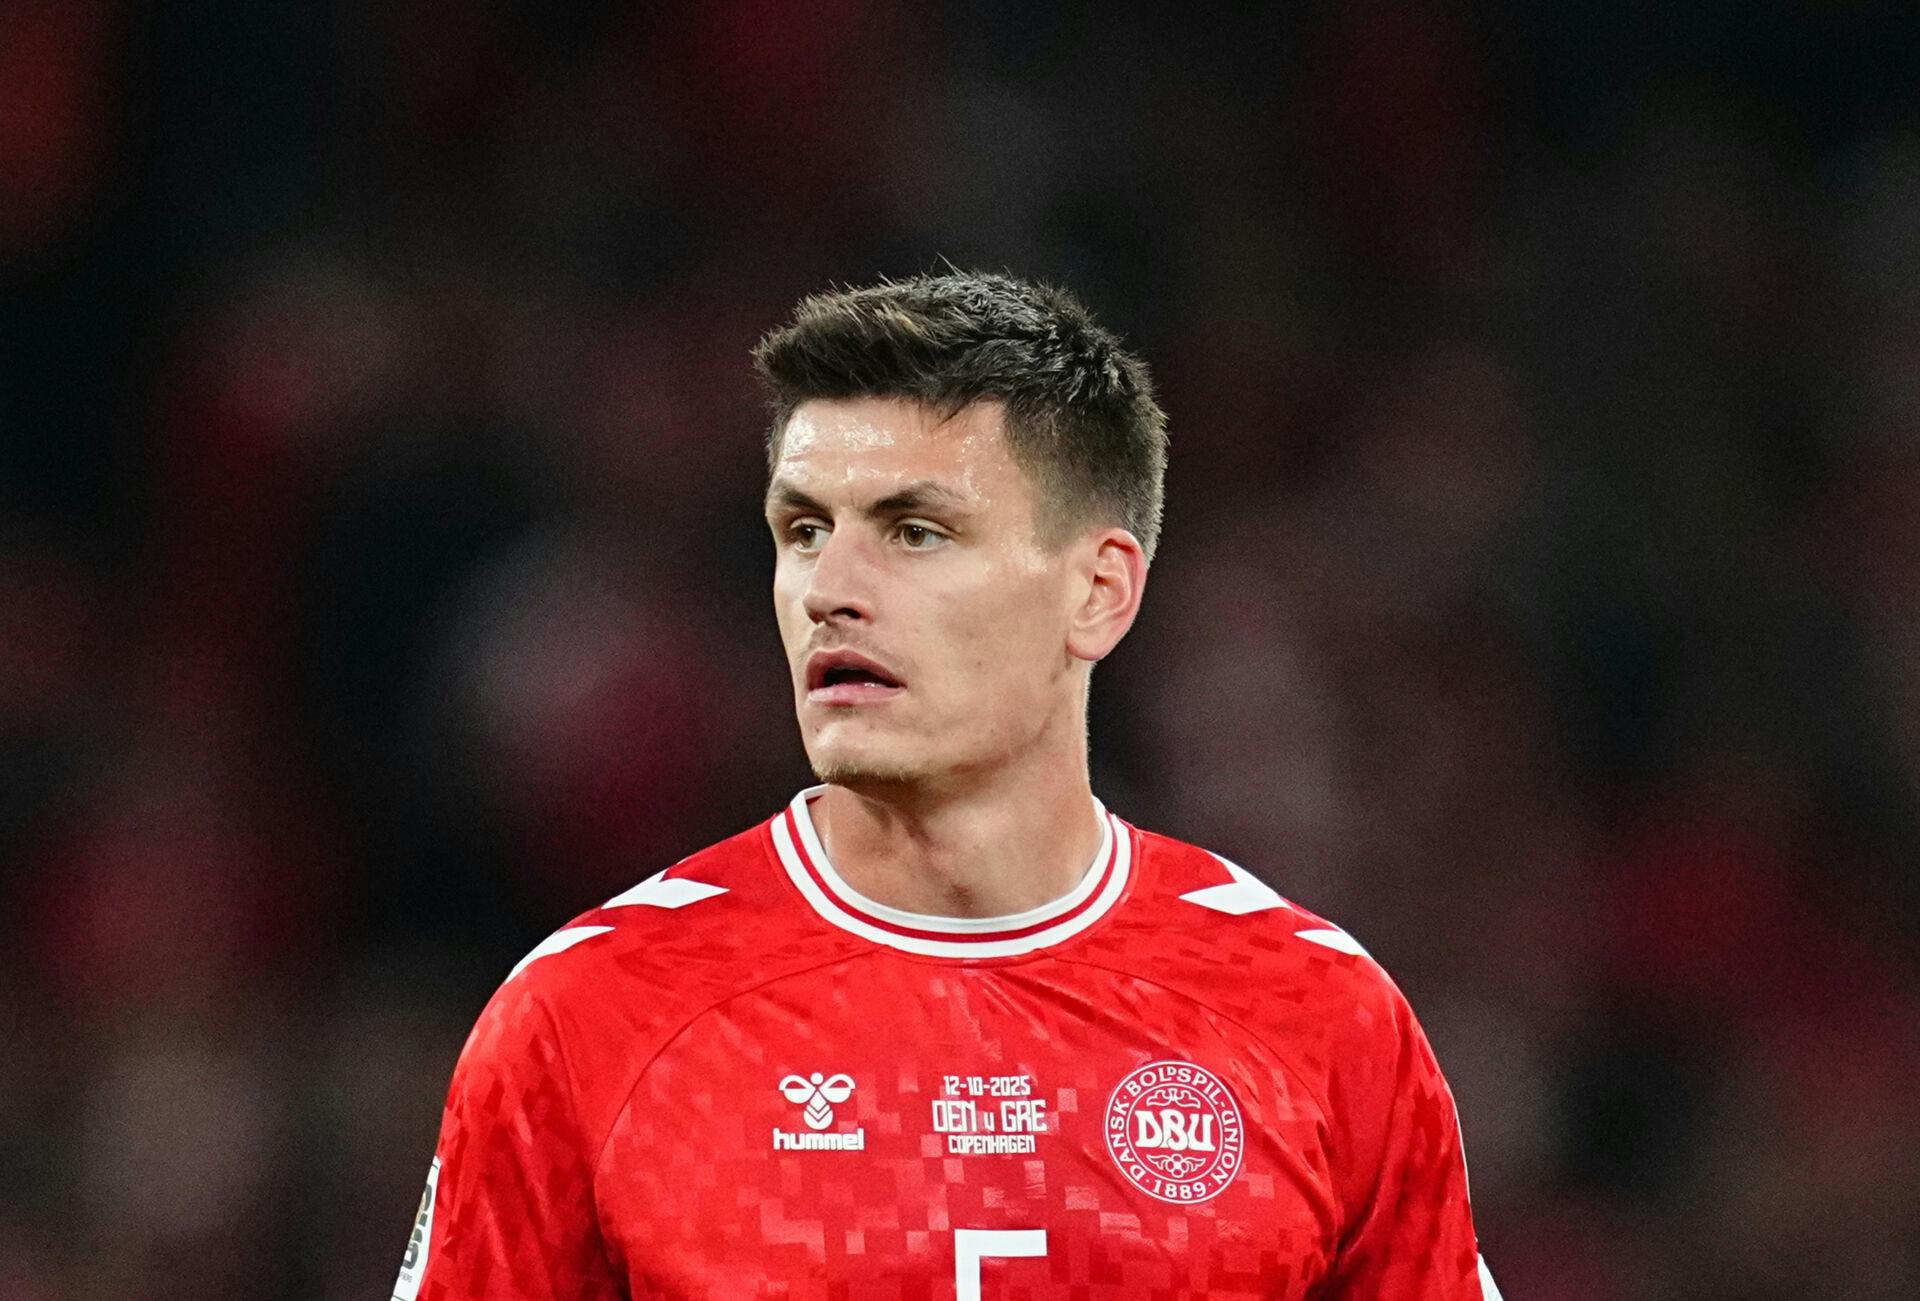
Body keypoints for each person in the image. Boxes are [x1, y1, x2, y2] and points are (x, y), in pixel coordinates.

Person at [392, 271, 1500, 1299]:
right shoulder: (588, 1021)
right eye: (804, 530)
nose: (831, 589)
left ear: (1100, 592)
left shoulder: (1318, 1019)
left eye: (917, 532)